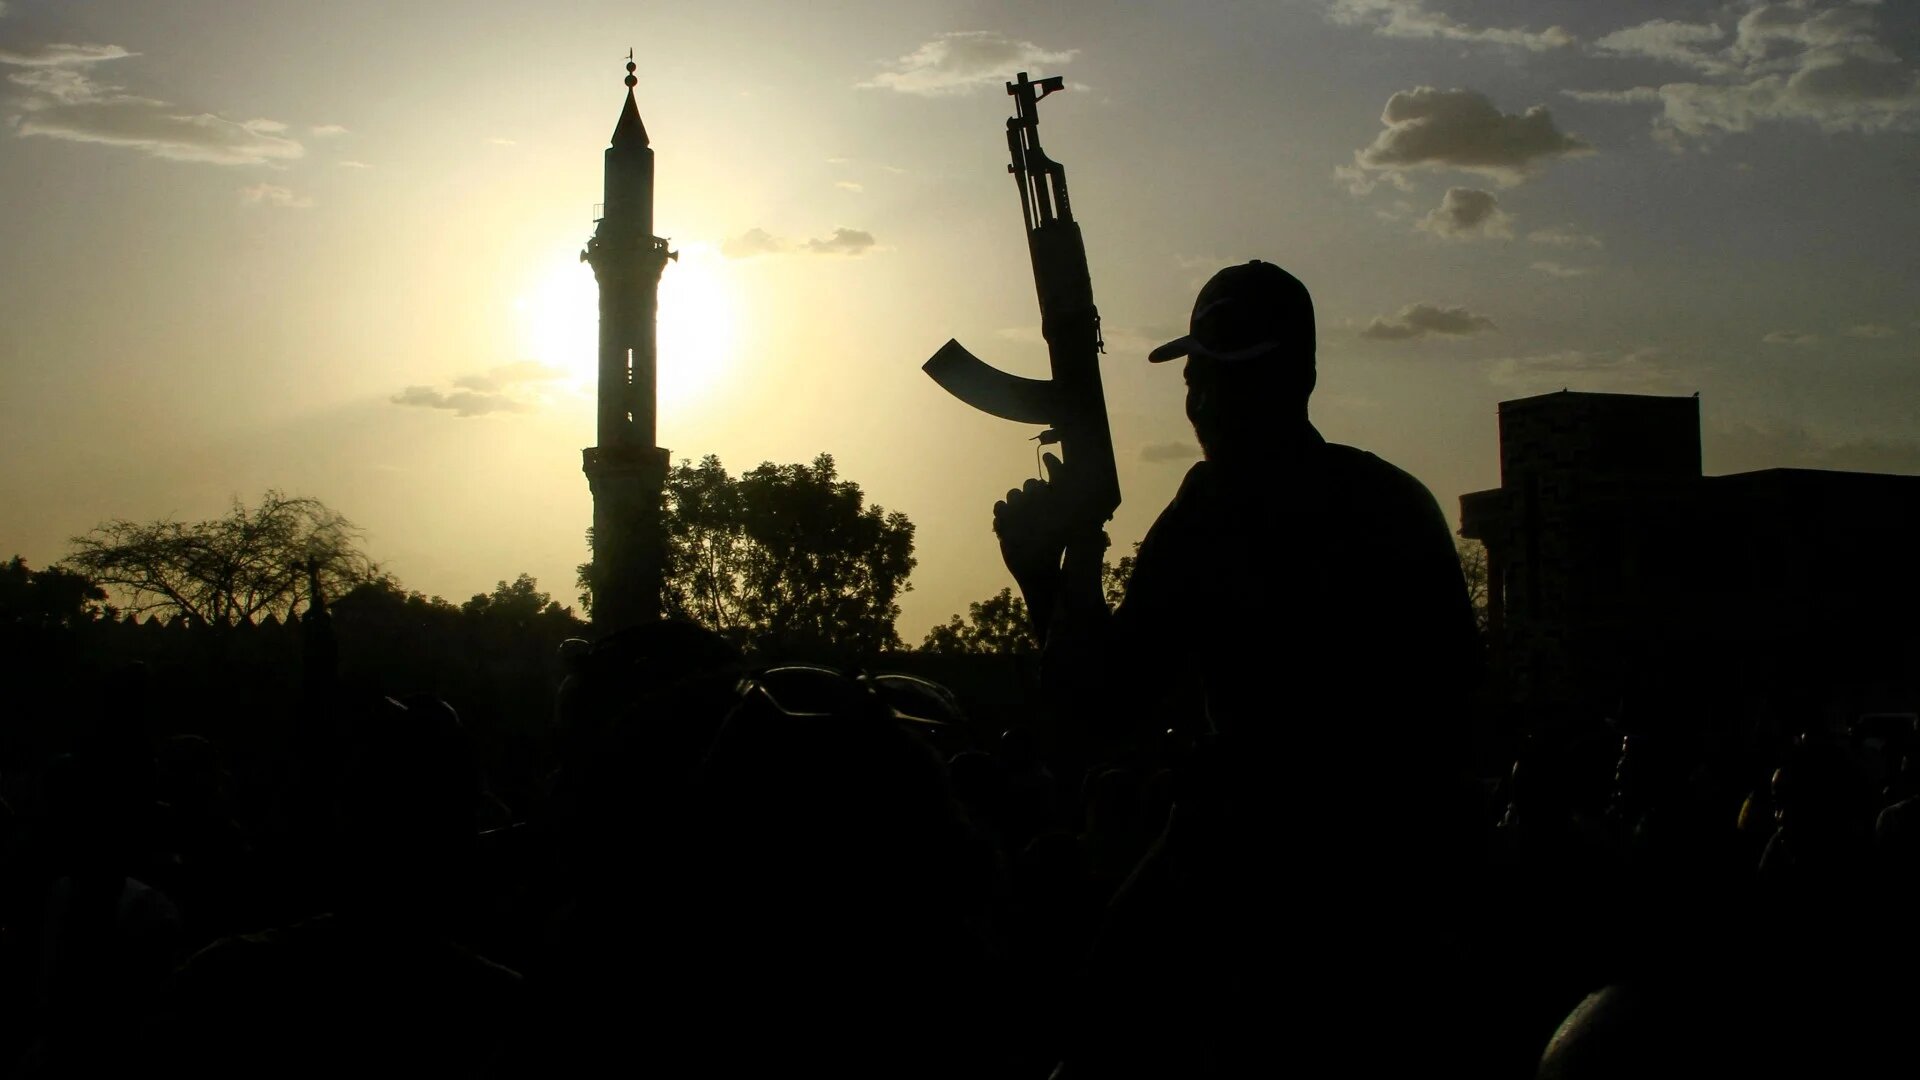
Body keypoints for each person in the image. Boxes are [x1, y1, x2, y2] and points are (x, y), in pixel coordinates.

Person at [995, 260, 1486, 1075]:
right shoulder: (1396, 503)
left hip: (1258, 863)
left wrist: (1053, 569)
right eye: (1198, 379)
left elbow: (1103, 708)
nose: (1202, 402)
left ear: (1294, 378)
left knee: (1097, 1031)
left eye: (1220, 377)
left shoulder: (1211, 512)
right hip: (1398, 879)